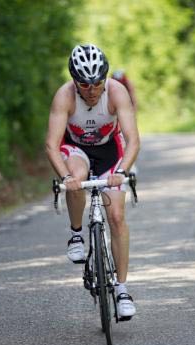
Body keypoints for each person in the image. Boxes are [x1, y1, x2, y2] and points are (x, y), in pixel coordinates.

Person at [46, 44, 140, 319]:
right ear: (75, 81)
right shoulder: (64, 97)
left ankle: (122, 290)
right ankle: (76, 234)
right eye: (84, 84)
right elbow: (52, 145)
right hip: (76, 151)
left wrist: (122, 171)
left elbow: (133, 139)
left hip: (110, 151)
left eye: (97, 83)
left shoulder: (116, 92)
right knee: (76, 178)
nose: (92, 89)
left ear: (105, 78)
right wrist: (64, 177)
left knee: (117, 216)